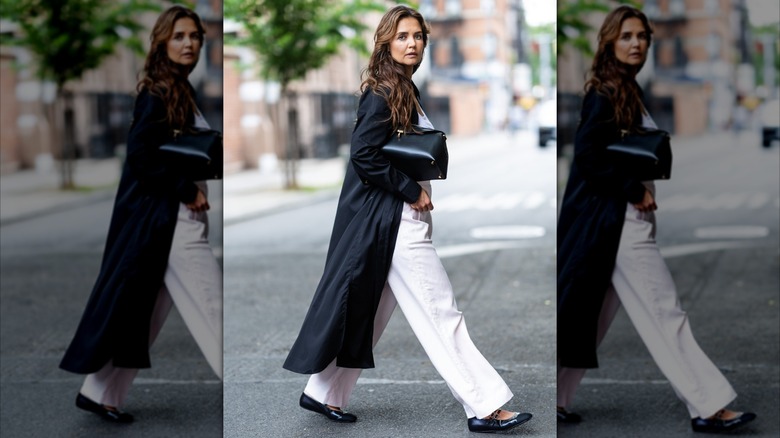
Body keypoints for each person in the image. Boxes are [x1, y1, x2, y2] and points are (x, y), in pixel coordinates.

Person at [282, 5, 532, 434]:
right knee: (441, 312)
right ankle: (485, 404)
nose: (412, 42)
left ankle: (324, 391)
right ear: (385, 41)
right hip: (393, 221)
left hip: (399, 218)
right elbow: (363, 155)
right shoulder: (381, 91)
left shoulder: (403, 87)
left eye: (417, 35)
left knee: (373, 310)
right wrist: (409, 189)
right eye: (402, 36)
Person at [556, 5, 756, 434]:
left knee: (587, 317)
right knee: (666, 311)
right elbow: (589, 157)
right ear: (610, 41)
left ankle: (553, 396)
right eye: (627, 36)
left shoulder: (626, 87)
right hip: (616, 221)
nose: (636, 43)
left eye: (642, 36)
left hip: (624, 219)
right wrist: (633, 189)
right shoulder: (604, 91)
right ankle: (709, 404)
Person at [59, 5, 222, 423]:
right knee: (214, 309)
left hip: (177, 217)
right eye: (180, 36)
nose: (189, 43)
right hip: (172, 221)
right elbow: (141, 156)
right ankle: (245, 397)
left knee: (145, 311)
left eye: (195, 36)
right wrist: (185, 188)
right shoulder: (157, 91)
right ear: (162, 42)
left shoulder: (180, 88)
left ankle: (100, 392)